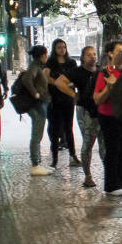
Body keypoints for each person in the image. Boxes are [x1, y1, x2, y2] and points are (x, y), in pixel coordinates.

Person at [55, 46, 105, 187]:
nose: (92, 57)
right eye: (89, 55)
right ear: (83, 57)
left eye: (94, 54)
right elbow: (60, 82)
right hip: (86, 111)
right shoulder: (77, 72)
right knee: (88, 143)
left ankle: (108, 173)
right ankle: (88, 175)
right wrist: (74, 95)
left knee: (104, 144)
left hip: (101, 110)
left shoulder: (101, 70)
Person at [93, 41, 122, 196]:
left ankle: (121, 181)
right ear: (110, 53)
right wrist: (110, 87)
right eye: (119, 51)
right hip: (109, 116)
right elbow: (97, 99)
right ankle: (110, 186)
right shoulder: (105, 73)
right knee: (113, 150)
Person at [44, 39, 79, 167]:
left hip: (68, 99)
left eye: (64, 47)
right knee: (54, 129)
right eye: (59, 47)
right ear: (54, 49)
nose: (62, 49)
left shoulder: (71, 62)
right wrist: (57, 83)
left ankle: (73, 155)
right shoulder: (51, 62)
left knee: (68, 128)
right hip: (54, 100)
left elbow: (76, 77)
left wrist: (68, 85)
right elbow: (45, 76)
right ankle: (54, 159)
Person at [21, 45, 53, 175]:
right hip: (37, 105)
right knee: (37, 135)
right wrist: (35, 93)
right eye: (46, 54)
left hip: (40, 104)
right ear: (42, 56)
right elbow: (27, 79)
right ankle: (35, 164)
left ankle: (38, 162)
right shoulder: (35, 67)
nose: (47, 56)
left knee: (37, 134)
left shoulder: (37, 66)